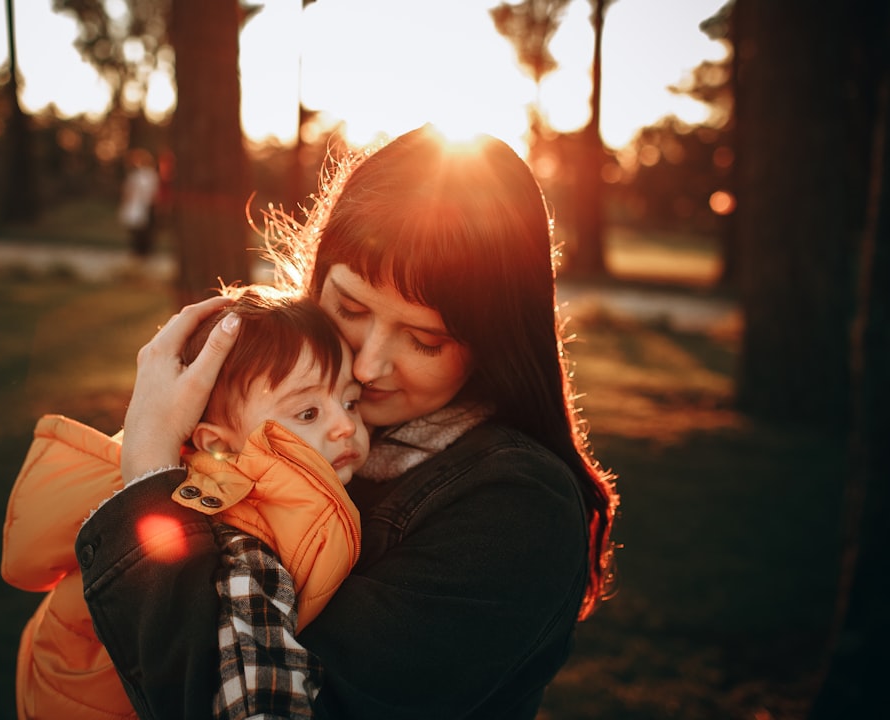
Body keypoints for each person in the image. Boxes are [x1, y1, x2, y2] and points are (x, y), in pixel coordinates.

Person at [75, 124, 620, 719]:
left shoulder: (517, 510)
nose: (367, 364)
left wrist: (150, 474)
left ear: (492, 343)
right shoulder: (261, 422)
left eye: (423, 339)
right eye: (352, 308)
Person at [2, 288, 370, 720]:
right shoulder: (244, 540)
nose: (346, 425)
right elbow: (255, 689)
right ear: (218, 443)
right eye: (308, 413)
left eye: (350, 401)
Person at [119, 148, 161, 257]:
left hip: (142, 206)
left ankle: (141, 252)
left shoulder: (143, 175)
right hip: (141, 206)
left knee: (141, 231)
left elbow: (129, 192)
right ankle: (141, 252)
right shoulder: (149, 175)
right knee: (138, 230)